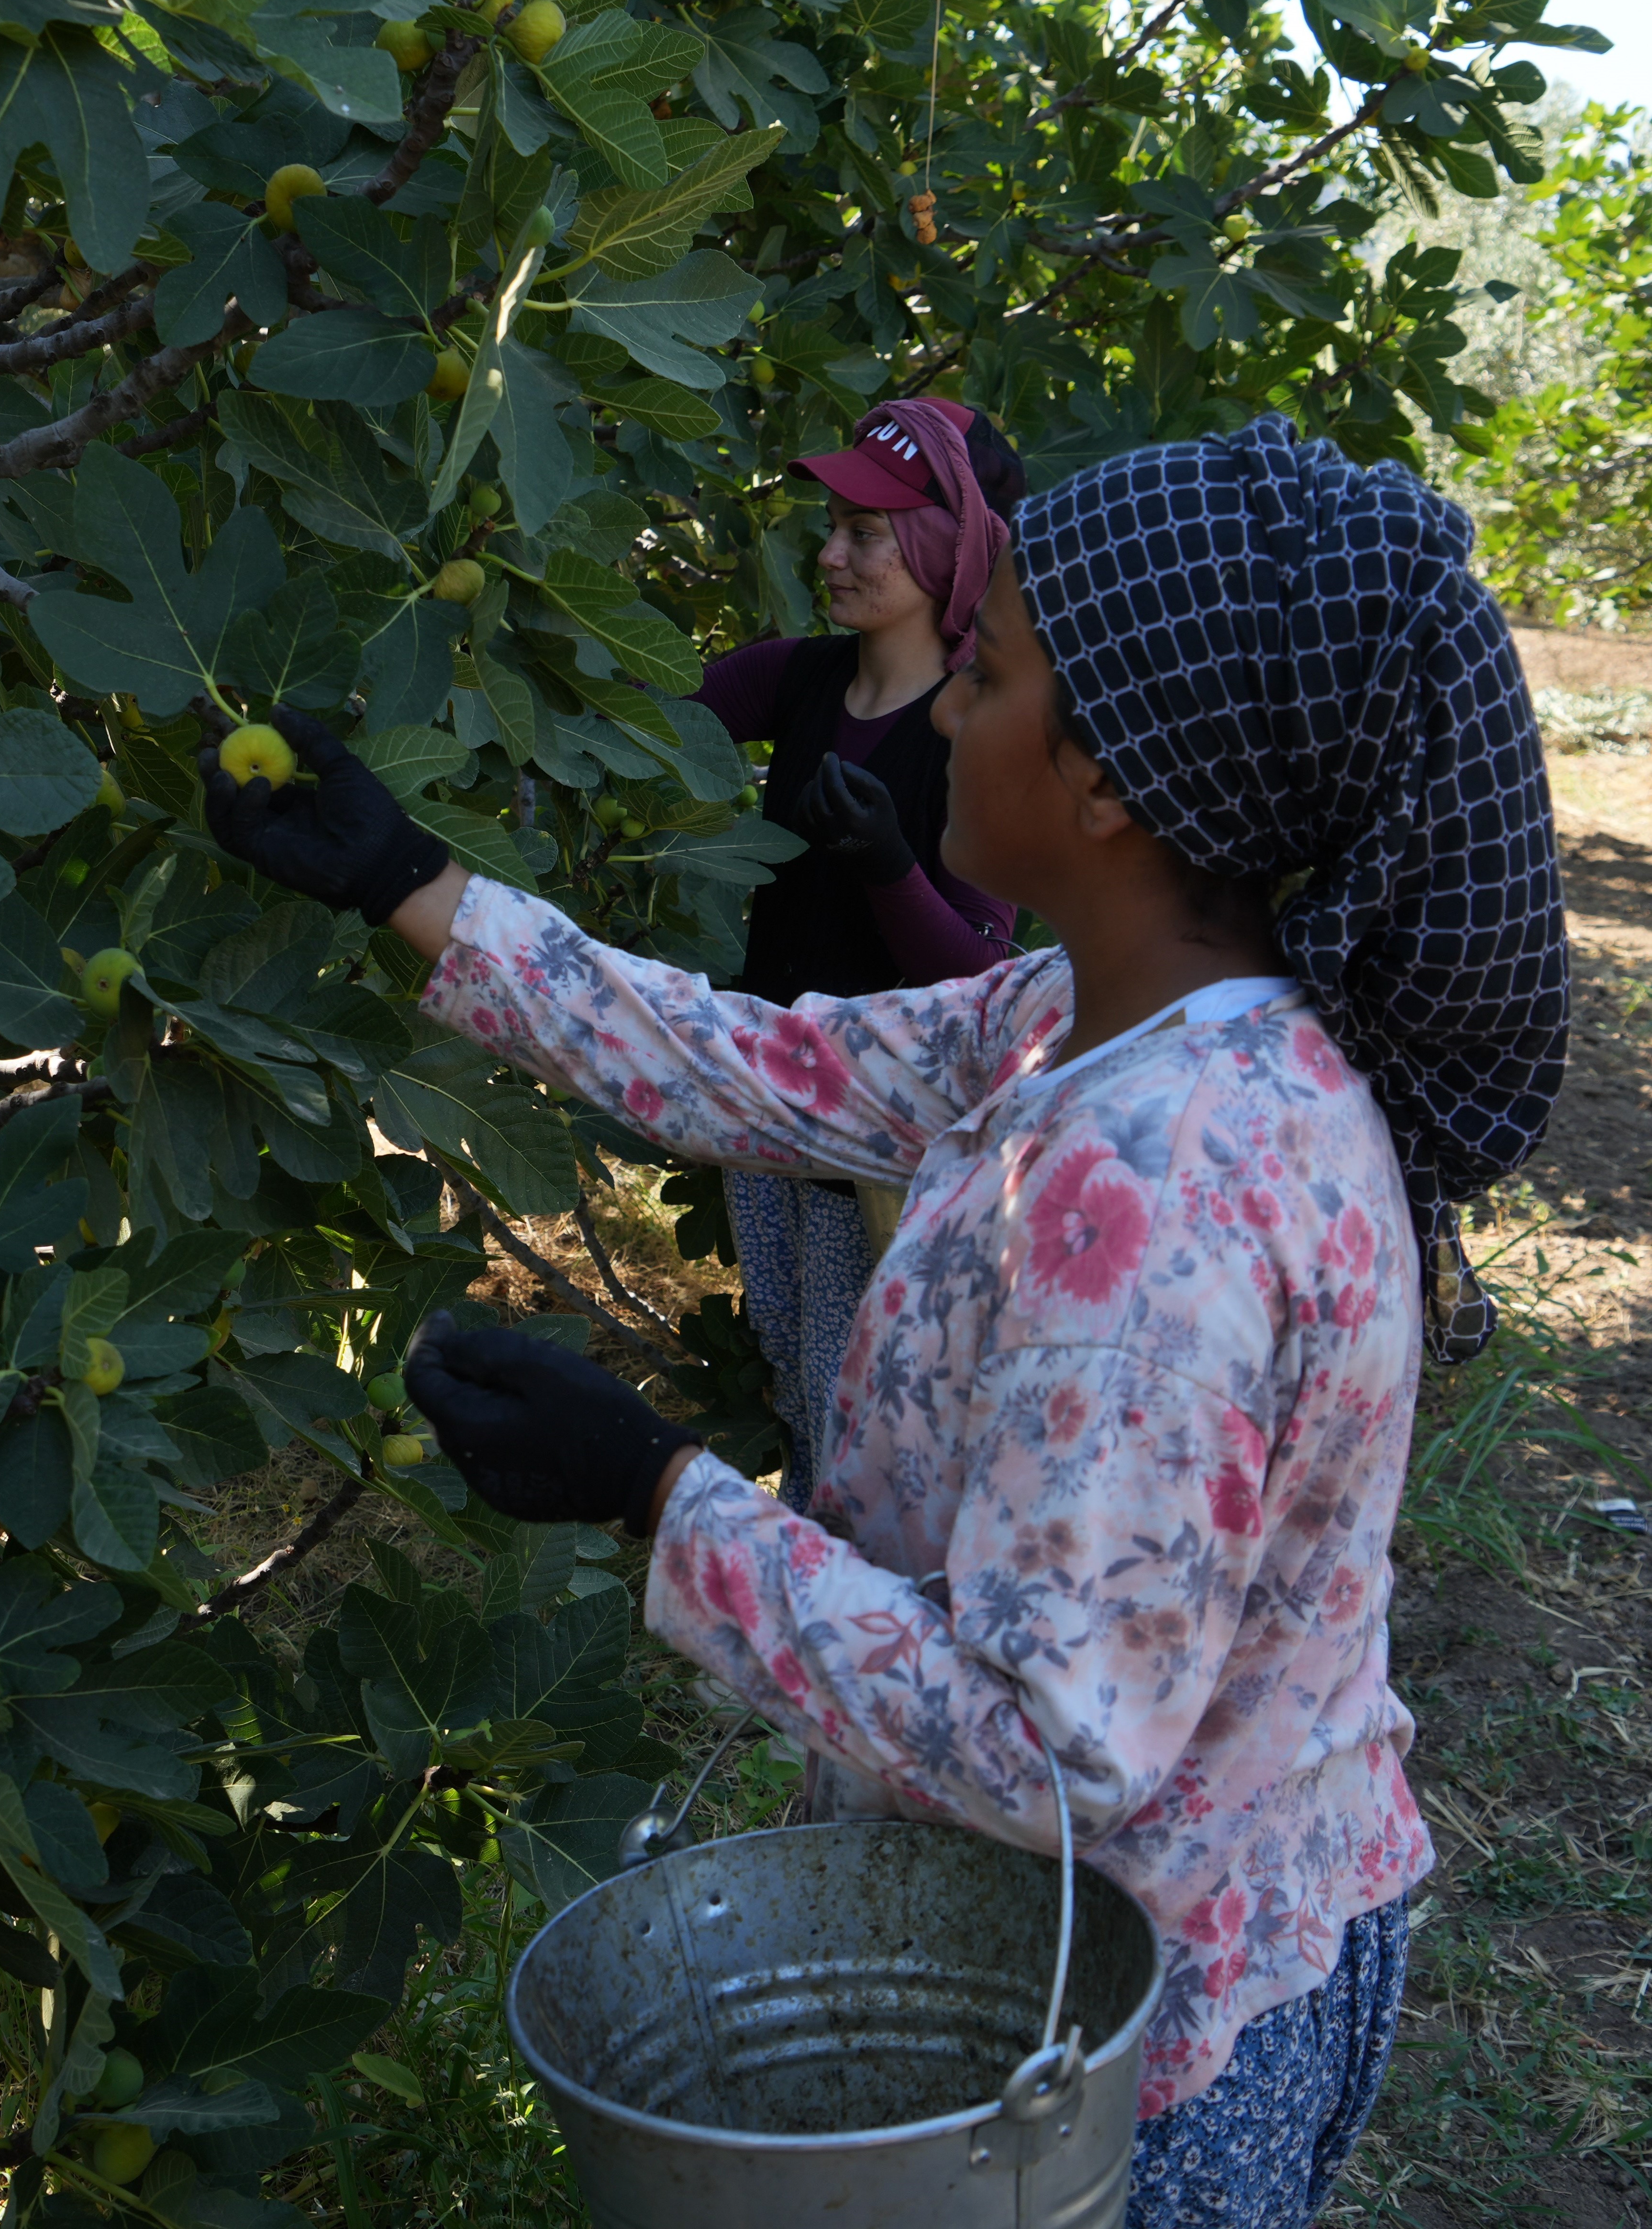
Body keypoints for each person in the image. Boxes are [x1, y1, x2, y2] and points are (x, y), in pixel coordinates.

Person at [197, 415, 1570, 2227]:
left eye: (986, 674)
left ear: (1106, 784)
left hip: (1120, 2044)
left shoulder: (1150, 1210)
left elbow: (1047, 1748)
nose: (932, 712)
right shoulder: (1093, 1017)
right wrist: (409, 888)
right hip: (1204, 1928)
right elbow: (765, 1064)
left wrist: (654, 1492)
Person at [703, 397, 1027, 1511]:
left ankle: (842, 1617)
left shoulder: (978, 725)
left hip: (880, 1130)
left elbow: (987, 977)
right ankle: (815, 1605)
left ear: (941, 548)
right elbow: (634, 711)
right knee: (795, 1345)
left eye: (866, 534)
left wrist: (891, 859)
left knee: (861, 1380)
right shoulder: (795, 680)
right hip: (767, 1096)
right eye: (832, 526)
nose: (831, 554)